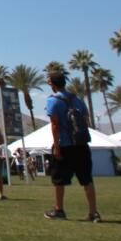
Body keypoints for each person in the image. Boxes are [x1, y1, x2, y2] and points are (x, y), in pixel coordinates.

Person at [43, 72, 100, 222]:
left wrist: (56, 146)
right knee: (87, 179)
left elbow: (55, 125)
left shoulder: (53, 101)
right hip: (81, 144)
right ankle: (93, 212)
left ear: (52, 84)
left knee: (59, 180)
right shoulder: (77, 100)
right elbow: (85, 120)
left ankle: (59, 209)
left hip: (65, 145)